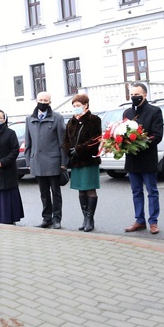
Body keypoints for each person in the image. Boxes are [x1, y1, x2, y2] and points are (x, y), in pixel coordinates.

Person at [122, 83, 164, 235]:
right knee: (136, 192)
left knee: (152, 191)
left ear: (145, 95)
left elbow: (157, 135)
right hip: (132, 160)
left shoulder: (154, 111)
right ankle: (139, 220)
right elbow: (121, 133)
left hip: (147, 158)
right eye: (132, 95)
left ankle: (153, 222)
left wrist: (140, 143)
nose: (134, 97)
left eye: (136, 94)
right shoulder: (127, 112)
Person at [25, 91, 67, 229]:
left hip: (53, 162)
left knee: (55, 192)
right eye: (40, 100)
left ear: (49, 102)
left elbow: (63, 142)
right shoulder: (29, 119)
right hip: (36, 162)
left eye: (45, 100)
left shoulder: (57, 118)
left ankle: (57, 219)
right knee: (43, 193)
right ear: (36, 101)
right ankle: (46, 218)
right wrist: (28, 162)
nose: (42, 102)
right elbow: (28, 143)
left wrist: (63, 163)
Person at [62, 94, 101, 232]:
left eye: (78, 105)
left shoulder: (94, 120)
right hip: (76, 161)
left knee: (90, 189)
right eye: (74, 106)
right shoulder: (71, 122)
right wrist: (68, 150)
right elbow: (66, 140)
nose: (76, 108)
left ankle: (90, 219)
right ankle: (85, 217)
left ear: (86, 105)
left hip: (88, 160)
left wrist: (79, 149)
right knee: (81, 190)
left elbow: (95, 140)